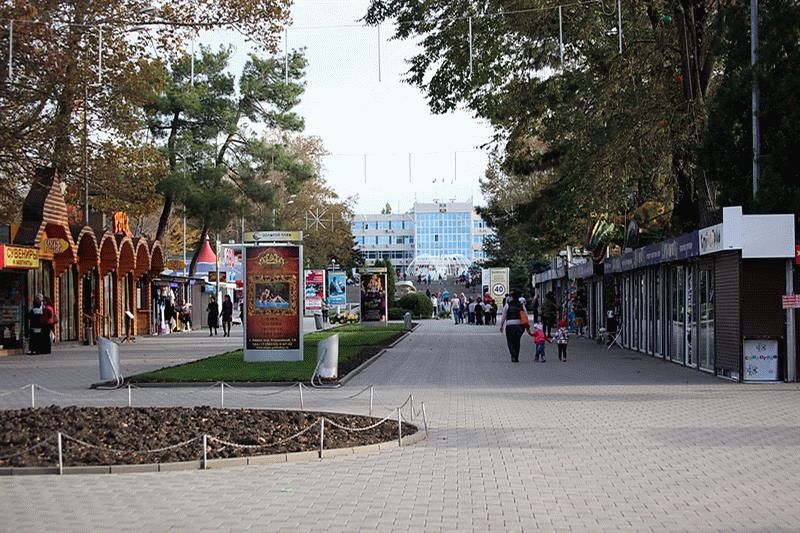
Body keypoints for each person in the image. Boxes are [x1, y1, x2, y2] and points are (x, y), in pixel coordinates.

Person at [499, 289, 527, 363]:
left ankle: (513, 354)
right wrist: (526, 325)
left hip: (509, 325)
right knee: (517, 341)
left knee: (510, 341)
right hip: (519, 325)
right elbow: (525, 315)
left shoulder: (507, 305)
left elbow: (504, 316)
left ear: (512, 297)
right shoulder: (521, 305)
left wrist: (501, 325)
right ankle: (516, 356)